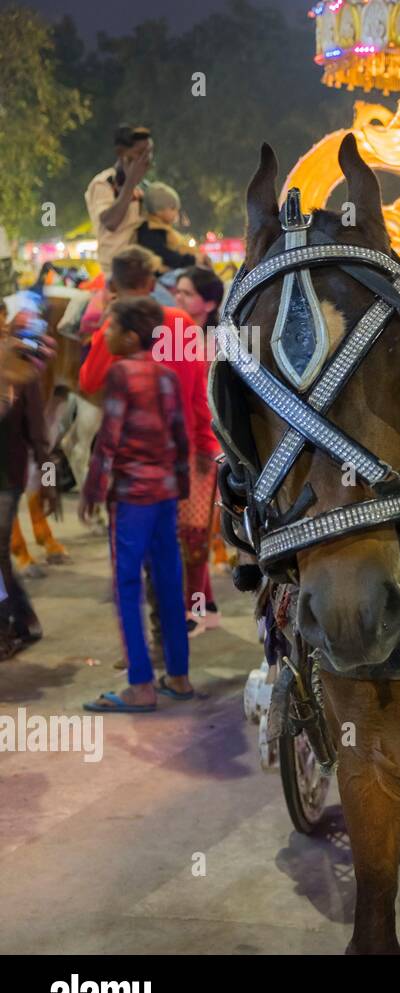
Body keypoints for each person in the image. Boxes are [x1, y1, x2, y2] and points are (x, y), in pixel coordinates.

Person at [81, 248, 218, 633]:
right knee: (178, 548)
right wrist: (206, 447)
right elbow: (200, 399)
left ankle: (147, 653)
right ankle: (174, 641)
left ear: (114, 283)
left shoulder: (117, 332)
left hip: (132, 468)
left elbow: (88, 383)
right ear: (150, 282)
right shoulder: (184, 324)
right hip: (184, 457)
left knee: (135, 560)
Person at [80, 297, 196, 712]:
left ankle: (141, 686)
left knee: (128, 588)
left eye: (109, 329)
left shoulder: (120, 374)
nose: (104, 336)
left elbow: (109, 439)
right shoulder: (165, 375)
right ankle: (179, 678)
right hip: (165, 494)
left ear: (129, 337)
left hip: (132, 499)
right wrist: (180, 483)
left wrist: (92, 490)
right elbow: (180, 433)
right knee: (169, 585)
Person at [170, 265, 226, 627]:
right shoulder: (171, 335)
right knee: (189, 529)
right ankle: (204, 601)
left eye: (186, 293)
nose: (177, 297)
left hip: (208, 446)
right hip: (182, 443)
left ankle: (194, 607)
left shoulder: (222, 341)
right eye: (176, 291)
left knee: (194, 530)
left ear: (208, 303)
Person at [0, 319, 58, 660]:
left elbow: (41, 438)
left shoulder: (22, 373)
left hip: (7, 482)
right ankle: (23, 620)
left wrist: (48, 485)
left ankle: (7, 628)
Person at [85, 126, 153, 267]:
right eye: (140, 153)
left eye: (149, 153)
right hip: (114, 271)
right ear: (121, 153)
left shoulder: (144, 187)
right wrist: (131, 182)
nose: (146, 160)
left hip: (141, 269)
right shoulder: (104, 183)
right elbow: (111, 222)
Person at [135, 183, 207, 272]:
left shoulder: (162, 227)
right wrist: (192, 260)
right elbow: (165, 255)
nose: (176, 212)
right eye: (172, 208)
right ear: (158, 210)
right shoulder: (152, 230)